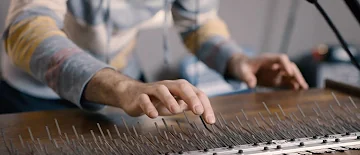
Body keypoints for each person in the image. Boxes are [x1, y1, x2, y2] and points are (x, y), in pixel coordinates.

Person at [0, 0, 308, 124]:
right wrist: (121, 87)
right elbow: (28, 28)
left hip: (128, 87)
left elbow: (196, 21)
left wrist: (236, 59)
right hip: (33, 93)